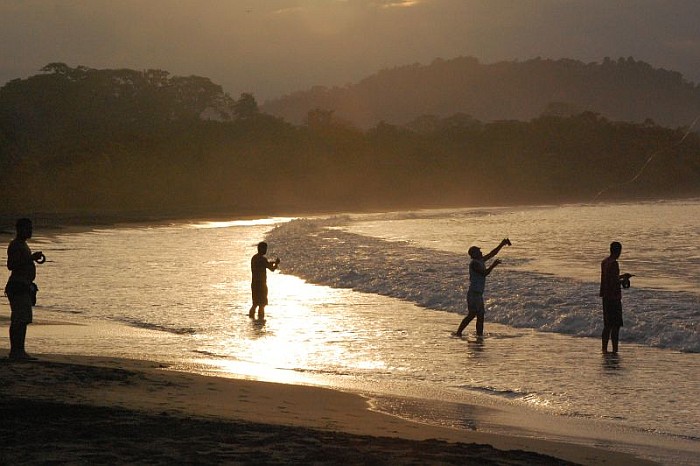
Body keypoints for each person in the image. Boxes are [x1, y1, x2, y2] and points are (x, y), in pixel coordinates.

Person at [5, 218, 45, 360]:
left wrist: (32, 258)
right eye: (27, 228)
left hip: (23, 285)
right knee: (19, 320)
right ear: (19, 229)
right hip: (17, 286)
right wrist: (30, 258)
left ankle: (19, 351)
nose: (30, 231)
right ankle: (16, 352)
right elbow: (11, 265)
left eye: (31, 228)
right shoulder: (15, 245)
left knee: (23, 319)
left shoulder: (23, 245)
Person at [453, 238, 511, 337]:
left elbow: (492, 253)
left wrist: (502, 244)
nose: (481, 252)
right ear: (474, 254)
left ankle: (476, 335)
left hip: (477, 293)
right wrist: (493, 265)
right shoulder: (474, 264)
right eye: (478, 251)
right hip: (474, 294)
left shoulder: (480, 261)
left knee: (479, 315)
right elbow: (484, 273)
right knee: (473, 315)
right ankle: (460, 332)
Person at [600, 241, 632, 354]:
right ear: (618, 251)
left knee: (607, 326)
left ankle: (604, 349)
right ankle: (615, 350)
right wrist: (624, 280)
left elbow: (610, 278)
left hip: (605, 296)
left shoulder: (604, 262)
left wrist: (622, 276)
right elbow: (614, 282)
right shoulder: (614, 263)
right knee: (615, 327)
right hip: (614, 298)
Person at [248, 242, 280, 320]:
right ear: (261, 249)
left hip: (254, 283)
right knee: (262, 305)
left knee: (255, 304)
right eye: (265, 248)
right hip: (261, 284)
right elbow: (272, 269)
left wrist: (269, 263)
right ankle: (260, 321)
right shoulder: (262, 259)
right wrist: (276, 263)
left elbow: (263, 265)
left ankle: (252, 319)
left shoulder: (254, 258)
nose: (266, 250)